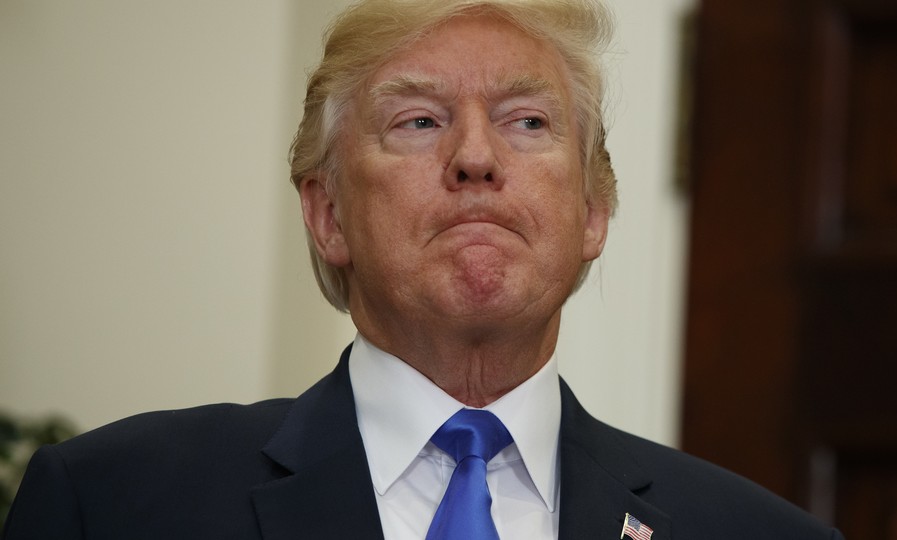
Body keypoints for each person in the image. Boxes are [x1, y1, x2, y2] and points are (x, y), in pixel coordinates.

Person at [3, 0, 844, 538]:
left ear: (593, 213)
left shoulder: (756, 534)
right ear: (329, 214)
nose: (475, 157)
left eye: (525, 121)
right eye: (416, 120)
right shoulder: (113, 504)